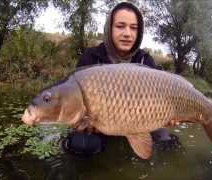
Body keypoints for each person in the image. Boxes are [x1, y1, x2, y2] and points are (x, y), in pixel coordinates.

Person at [61, 2, 179, 156]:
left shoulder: (145, 60)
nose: (127, 33)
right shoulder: (91, 58)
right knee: (82, 146)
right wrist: (81, 122)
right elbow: (74, 104)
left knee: (167, 143)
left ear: (139, 32)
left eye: (133, 28)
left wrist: (166, 116)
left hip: (142, 122)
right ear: (109, 28)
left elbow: (164, 99)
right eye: (120, 26)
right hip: (101, 126)